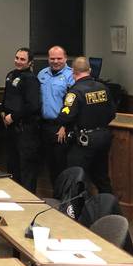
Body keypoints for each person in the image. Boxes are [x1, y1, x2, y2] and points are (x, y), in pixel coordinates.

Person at [56, 57, 116, 194]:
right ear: (89, 70)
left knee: (75, 177)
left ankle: (74, 212)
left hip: (84, 141)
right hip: (103, 137)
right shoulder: (103, 88)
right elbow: (112, 113)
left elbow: (66, 116)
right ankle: (110, 209)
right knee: (102, 178)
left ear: (73, 72)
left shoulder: (74, 92)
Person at [1, 47, 41, 193]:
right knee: (12, 165)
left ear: (30, 62)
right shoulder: (11, 75)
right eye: (17, 58)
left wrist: (13, 117)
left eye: (22, 59)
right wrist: (3, 113)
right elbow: (7, 98)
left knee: (26, 168)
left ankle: (28, 200)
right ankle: (14, 196)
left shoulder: (31, 80)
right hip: (11, 128)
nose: (18, 61)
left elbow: (33, 106)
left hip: (26, 130)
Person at [38, 45, 75, 191]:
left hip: (61, 127)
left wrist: (64, 126)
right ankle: (55, 195)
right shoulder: (42, 74)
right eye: (52, 58)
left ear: (65, 58)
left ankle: (64, 198)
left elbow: (73, 105)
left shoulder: (71, 75)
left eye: (59, 58)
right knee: (49, 165)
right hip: (44, 125)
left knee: (62, 165)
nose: (55, 61)